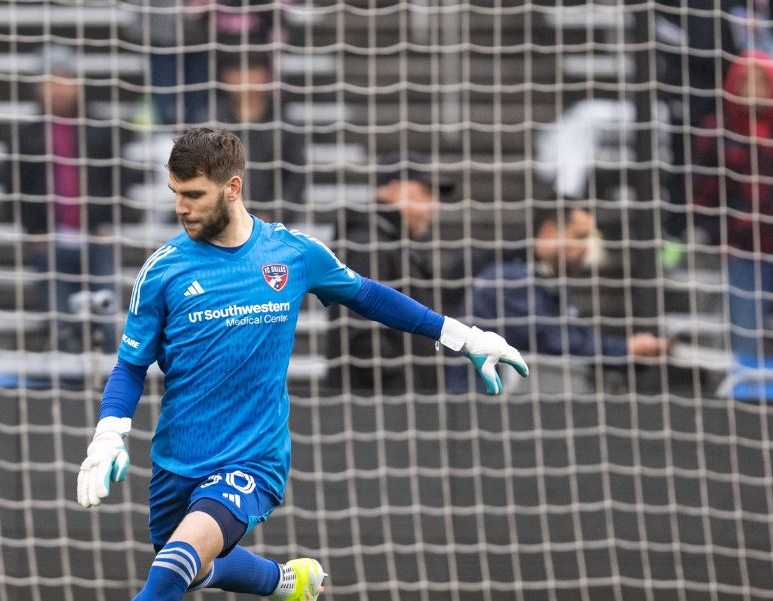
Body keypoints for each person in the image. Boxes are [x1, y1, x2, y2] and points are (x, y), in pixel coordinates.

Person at [25, 127, 528, 601]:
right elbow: (132, 365)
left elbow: (370, 297)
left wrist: (465, 337)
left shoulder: (290, 254)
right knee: (195, 566)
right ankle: (290, 583)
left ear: (232, 188)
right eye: (174, 193)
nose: (180, 206)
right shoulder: (163, 271)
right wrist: (108, 438)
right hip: (178, 461)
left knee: (173, 569)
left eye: (194, 194)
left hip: (254, 461)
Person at [458, 200, 669, 390]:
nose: (586, 249)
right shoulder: (507, 278)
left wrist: (628, 351)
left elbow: (573, 335)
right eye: (580, 237)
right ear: (549, 232)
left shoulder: (548, 281)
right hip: (479, 406)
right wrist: (625, 348)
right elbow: (555, 341)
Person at [2, 46, 133, 353]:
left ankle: (116, 383)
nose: (58, 88)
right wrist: (33, 230)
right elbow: (11, 188)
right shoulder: (24, 135)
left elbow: (122, 180)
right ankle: (68, 384)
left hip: (95, 238)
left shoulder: (101, 129)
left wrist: (107, 223)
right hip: (50, 240)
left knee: (109, 317)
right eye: (50, 80)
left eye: (64, 79)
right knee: (59, 320)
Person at [326, 152, 476, 392]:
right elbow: (362, 338)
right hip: (380, 414)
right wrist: (408, 395)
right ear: (393, 189)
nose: (433, 207)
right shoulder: (368, 245)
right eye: (425, 193)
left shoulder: (392, 245)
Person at [691, 50, 773, 364]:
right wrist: (720, 236)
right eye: (746, 82)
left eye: (761, 82)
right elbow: (703, 193)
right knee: (745, 330)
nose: (754, 89)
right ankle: (749, 396)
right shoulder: (717, 131)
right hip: (742, 249)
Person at [214, 52, 305, 224]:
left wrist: (272, 214)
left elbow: (295, 179)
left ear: (266, 75)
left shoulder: (283, 125)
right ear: (224, 77)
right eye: (237, 71)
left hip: (273, 224)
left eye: (252, 71)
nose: (245, 79)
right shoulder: (211, 122)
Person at [128, 0, 211, 128]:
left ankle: (192, 133)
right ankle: (166, 131)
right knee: (163, 90)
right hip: (160, 31)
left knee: (197, 96)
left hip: (202, 33)